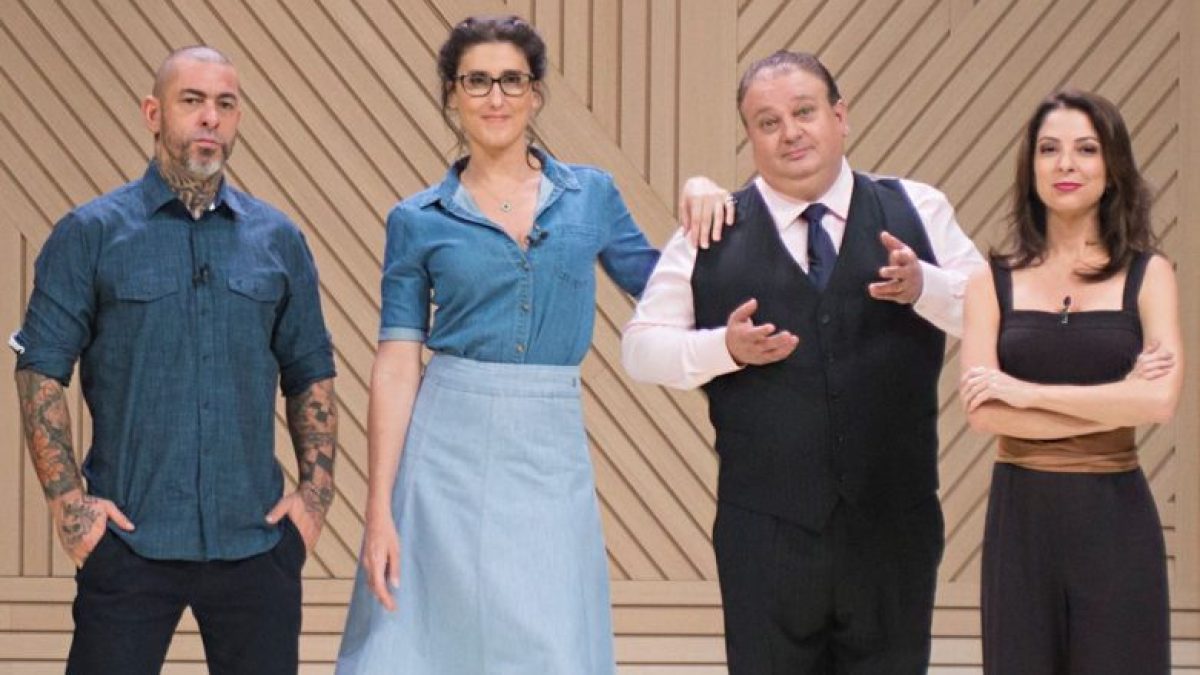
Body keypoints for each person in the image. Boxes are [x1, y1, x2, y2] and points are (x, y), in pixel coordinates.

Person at [334, 15, 727, 674]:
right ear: (452, 95)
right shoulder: (416, 219)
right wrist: (378, 513)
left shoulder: (591, 195)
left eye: (511, 80)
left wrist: (704, 195)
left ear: (535, 93)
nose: (496, 97)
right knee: (426, 644)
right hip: (443, 452)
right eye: (477, 81)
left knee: (551, 641)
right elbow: (397, 363)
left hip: (549, 444)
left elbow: (667, 287)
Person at [622, 50, 986, 673]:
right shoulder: (711, 228)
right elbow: (640, 349)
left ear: (840, 117)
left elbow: (993, 313)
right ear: (750, 136)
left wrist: (924, 285)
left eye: (804, 112)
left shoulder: (918, 208)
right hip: (765, 533)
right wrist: (723, 348)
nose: (789, 132)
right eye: (768, 122)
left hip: (894, 524)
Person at [10, 46, 337, 674]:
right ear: (153, 114)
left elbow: (310, 375)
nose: (210, 117)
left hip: (256, 543)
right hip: (129, 544)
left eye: (225, 104)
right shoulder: (90, 235)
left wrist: (314, 499)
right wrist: (69, 506)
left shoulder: (279, 241)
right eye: (192, 101)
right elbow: (41, 369)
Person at [959, 89, 1181, 674]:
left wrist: (1026, 393)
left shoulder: (1150, 275)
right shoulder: (990, 281)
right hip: (1020, 524)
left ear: (1112, 167)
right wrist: (1116, 397)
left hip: (1115, 520)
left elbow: (1158, 401)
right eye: (1048, 149)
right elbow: (983, 412)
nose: (1065, 164)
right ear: (1030, 166)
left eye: (1086, 149)